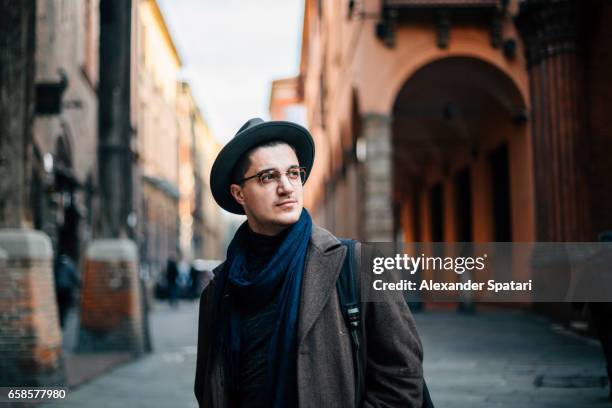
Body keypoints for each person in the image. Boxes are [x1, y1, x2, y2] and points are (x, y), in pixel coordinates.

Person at [194, 118, 424, 407]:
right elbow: (209, 388)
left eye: (293, 173)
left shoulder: (358, 265)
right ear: (239, 193)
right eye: (268, 176)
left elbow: (402, 378)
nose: (287, 187)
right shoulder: (218, 291)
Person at [53, 253, 80, 328]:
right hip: (67, 289)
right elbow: (74, 276)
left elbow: (54, 275)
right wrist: (79, 285)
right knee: (65, 306)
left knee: (59, 305)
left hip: (58, 288)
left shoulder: (57, 264)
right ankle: (62, 321)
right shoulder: (70, 265)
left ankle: (59, 320)